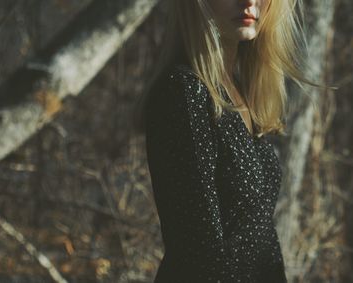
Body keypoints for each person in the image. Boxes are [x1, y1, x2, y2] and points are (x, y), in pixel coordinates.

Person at [133, 0, 328, 282]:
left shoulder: (239, 91)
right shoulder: (185, 94)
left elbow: (261, 238)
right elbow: (201, 254)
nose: (249, 1)